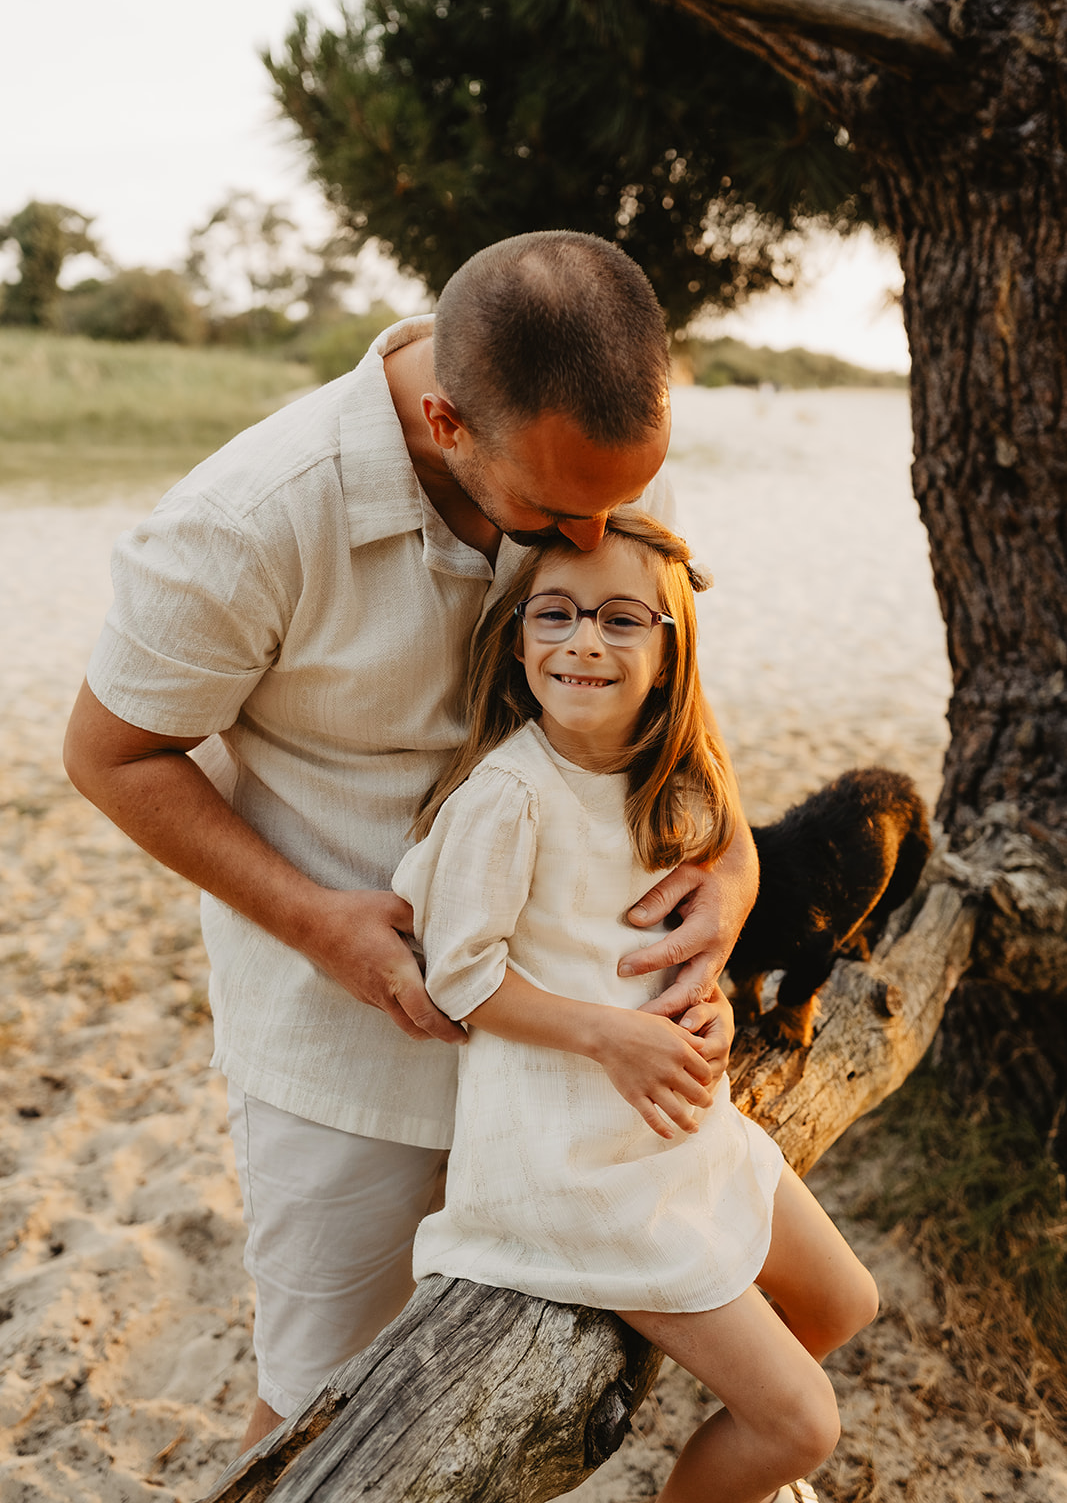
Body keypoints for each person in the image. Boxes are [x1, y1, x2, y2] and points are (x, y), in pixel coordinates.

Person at [62, 231, 760, 1449]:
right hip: (353, 1048)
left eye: (621, 497)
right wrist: (316, 922)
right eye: (560, 512)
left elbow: (669, 683)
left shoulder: (586, 463)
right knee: (319, 1406)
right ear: (446, 422)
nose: (597, 528)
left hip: (576, 1040)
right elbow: (110, 753)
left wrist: (733, 862)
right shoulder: (246, 518)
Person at [394, 510, 879, 1503]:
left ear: (668, 655)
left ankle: (743, 1468)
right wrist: (610, 1036)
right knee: (802, 1423)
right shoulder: (510, 797)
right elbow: (460, 975)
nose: (582, 641)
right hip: (568, 1161)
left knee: (843, 1302)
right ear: (516, 637)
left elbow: (659, 949)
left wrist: (710, 1009)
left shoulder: (670, 782)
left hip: (671, 1121)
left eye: (620, 619)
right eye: (555, 614)